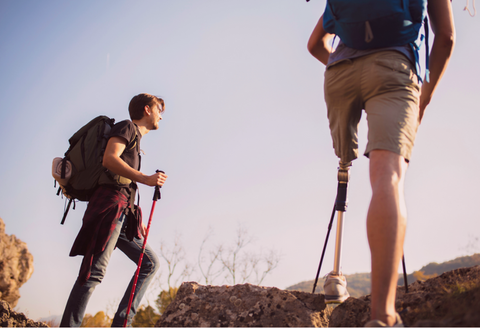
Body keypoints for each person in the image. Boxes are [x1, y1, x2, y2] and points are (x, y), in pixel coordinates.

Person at [307, 1, 454, 326]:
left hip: (339, 75)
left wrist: (341, 64)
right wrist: (424, 95)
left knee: (345, 163)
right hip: (393, 65)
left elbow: (314, 44)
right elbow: (445, 37)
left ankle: (335, 277)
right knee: (387, 177)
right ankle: (383, 316)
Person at [60, 93, 168, 327]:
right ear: (147, 109)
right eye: (160, 108)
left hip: (121, 211)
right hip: (109, 206)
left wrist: (133, 216)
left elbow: (121, 179)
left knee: (150, 263)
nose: (162, 114)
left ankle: (121, 324)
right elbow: (110, 159)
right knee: (94, 271)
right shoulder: (127, 127)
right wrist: (145, 179)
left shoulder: (136, 141)